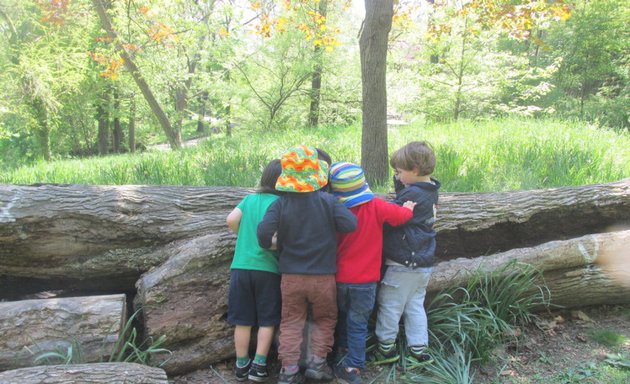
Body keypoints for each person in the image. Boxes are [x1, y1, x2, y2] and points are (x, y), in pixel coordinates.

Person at [257, 145, 357, 384]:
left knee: (291, 321)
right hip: (324, 276)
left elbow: (263, 234)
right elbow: (350, 224)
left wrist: (277, 245)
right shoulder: (327, 201)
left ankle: (289, 370)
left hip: (291, 276)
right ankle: (317, 364)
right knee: (325, 318)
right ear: (317, 175)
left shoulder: (281, 204)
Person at [329, 162, 416, 384]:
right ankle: (354, 366)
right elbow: (400, 217)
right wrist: (408, 207)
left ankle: (340, 353)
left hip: (339, 279)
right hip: (366, 281)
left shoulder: (335, 212)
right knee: (358, 323)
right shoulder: (375, 205)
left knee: (341, 319)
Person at [371, 141, 441, 368]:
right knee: (414, 306)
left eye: (400, 172)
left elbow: (392, 217)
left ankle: (385, 348)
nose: (398, 176)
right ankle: (418, 351)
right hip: (423, 262)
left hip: (403, 261)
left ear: (415, 171)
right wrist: (401, 183)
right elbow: (407, 195)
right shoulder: (430, 189)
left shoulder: (412, 193)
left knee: (390, 304)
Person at [226, 159, 283, 382]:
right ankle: (259, 365)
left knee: (242, 320)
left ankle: (241, 365)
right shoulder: (281, 204)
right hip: (269, 269)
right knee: (267, 320)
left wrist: (243, 235)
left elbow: (231, 220)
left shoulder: (249, 199)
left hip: (241, 267)